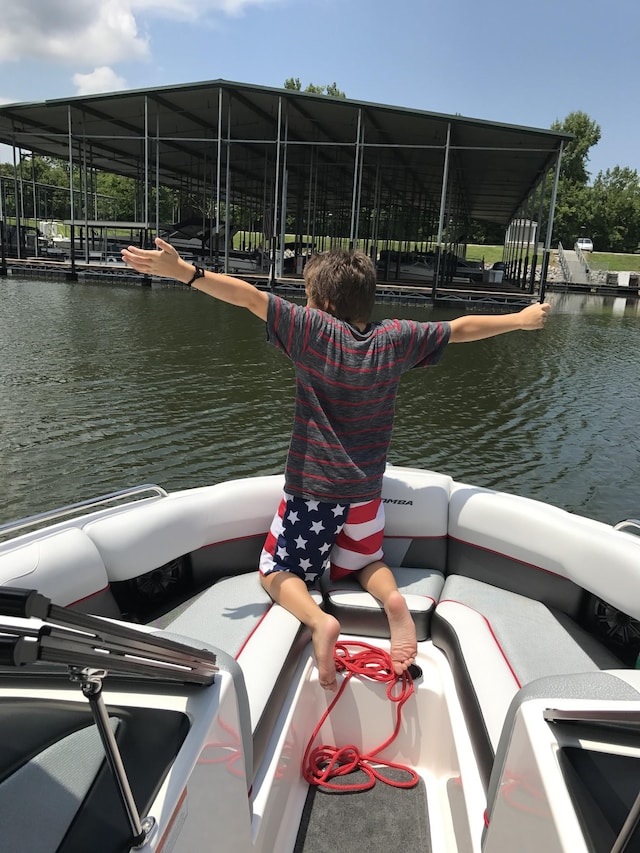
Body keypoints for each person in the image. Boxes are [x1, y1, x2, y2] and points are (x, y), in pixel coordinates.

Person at [121, 239, 550, 691]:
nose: (302, 305)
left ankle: (319, 622)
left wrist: (186, 272)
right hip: (366, 494)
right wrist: (519, 321)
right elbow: (460, 328)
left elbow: (247, 296)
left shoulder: (312, 329)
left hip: (313, 494)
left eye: (307, 297)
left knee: (274, 571)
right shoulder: (396, 338)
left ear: (322, 303)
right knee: (366, 563)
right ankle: (392, 602)